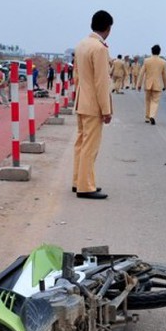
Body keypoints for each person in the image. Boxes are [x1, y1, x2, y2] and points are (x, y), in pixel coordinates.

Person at [72, 10, 114, 200]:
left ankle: (78, 181)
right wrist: (106, 110)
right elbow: (101, 82)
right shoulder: (99, 49)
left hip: (82, 101)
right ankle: (85, 186)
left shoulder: (81, 44)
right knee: (90, 147)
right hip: (93, 105)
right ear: (108, 28)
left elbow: (77, 76)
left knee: (81, 144)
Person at [136, 44, 166, 125]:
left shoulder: (146, 61)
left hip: (148, 84)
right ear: (159, 52)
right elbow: (164, 75)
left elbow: (141, 73)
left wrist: (139, 84)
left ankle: (147, 117)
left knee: (147, 101)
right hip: (158, 85)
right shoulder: (163, 62)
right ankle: (152, 116)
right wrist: (165, 85)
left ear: (151, 51)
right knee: (155, 101)